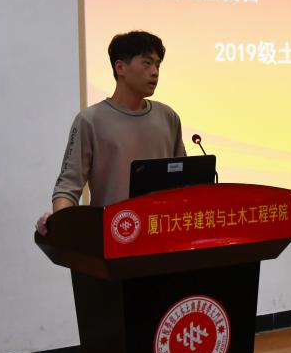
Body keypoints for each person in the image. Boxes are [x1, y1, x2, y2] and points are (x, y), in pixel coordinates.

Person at [36, 30, 186, 234]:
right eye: (147, 63)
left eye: (158, 65)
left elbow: (184, 181)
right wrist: (60, 223)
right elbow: (68, 186)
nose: (155, 72)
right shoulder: (90, 120)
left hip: (162, 234)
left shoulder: (168, 117)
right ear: (120, 67)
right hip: (114, 235)